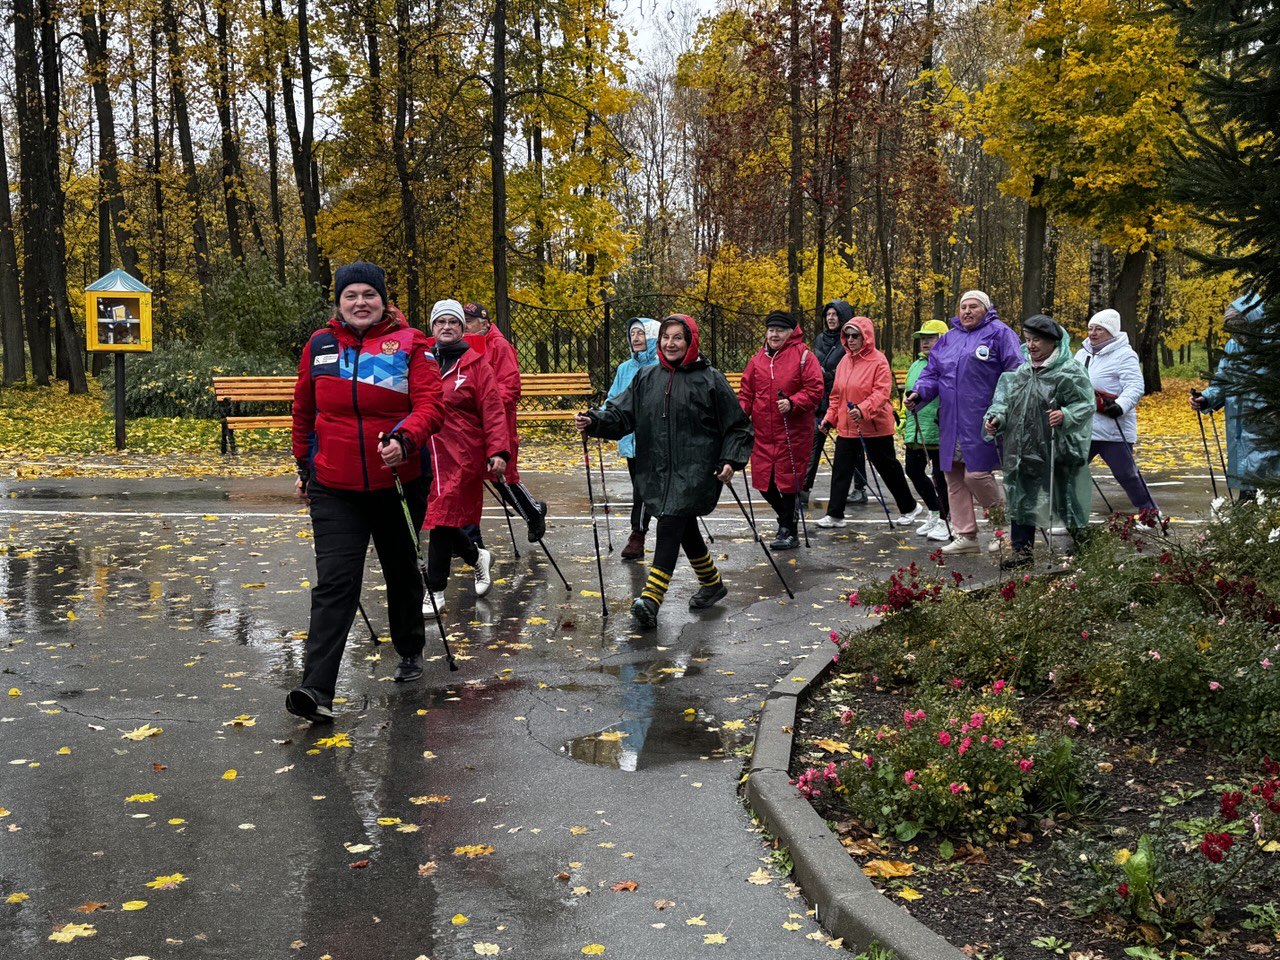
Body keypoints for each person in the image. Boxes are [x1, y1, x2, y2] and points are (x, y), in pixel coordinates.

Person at [287, 262, 443, 723]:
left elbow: (431, 405)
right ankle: (316, 690)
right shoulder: (320, 345)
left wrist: (405, 438)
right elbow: (304, 408)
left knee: (400, 569)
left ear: (382, 299)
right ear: (338, 302)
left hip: (397, 482)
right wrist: (304, 465)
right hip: (335, 488)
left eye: (368, 295)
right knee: (336, 583)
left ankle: (410, 647)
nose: (360, 303)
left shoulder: (411, 344)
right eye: (350, 295)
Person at [575, 314, 753, 628]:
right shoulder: (646, 377)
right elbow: (622, 413)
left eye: (678, 338)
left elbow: (737, 426)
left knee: (671, 521)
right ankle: (712, 583)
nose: (670, 344)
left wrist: (730, 460)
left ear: (690, 342)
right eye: (666, 338)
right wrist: (595, 420)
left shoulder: (710, 379)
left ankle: (651, 599)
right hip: (657, 467)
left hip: (698, 468)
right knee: (682, 524)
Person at [905, 290, 1023, 555]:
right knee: (953, 476)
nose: (967, 311)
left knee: (978, 474)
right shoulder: (949, 339)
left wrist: (1002, 409)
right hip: (950, 419)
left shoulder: (1000, 333)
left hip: (983, 418)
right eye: (963, 307)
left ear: (986, 309)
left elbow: (1016, 374)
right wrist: (920, 392)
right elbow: (932, 373)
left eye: (973, 306)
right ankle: (966, 535)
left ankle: (1002, 530)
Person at [983, 314, 1094, 569]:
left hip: (1059, 447)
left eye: (1038, 341)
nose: (1031, 345)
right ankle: (1022, 554)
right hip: (1024, 449)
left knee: (1067, 498)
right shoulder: (1022, 372)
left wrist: (1065, 414)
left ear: (1053, 343)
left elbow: (1085, 404)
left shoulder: (1069, 371)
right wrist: (996, 419)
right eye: (1029, 340)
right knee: (1021, 498)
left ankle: (1086, 548)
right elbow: (1005, 403)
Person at [422, 299, 509, 617]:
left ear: (462, 329)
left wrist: (497, 450)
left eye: (454, 322)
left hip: (461, 454)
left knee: (442, 519)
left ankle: (434, 591)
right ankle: (476, 557)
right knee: (436, 518)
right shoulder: (421, 361)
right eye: (440, 322)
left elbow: (493, 409)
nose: (446, 327)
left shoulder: (476, 364)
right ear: (432, 327)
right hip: (425, 453)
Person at [817, 316, 920, 527]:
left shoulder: (879, 360)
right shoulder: (844, 361)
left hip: (874, 427)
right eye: (847, 335)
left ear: (866, 337)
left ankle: (909, 507)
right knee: (841, 470)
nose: (851, 339)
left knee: (888, 468)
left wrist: (862, 410)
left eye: (856, 335)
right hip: (847, 427)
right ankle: (835, 515)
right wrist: (829, 419)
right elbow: (836, 395)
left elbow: (881, 393)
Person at [738, 310, 825, 549]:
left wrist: (794, 402)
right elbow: (746, 392)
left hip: (793, 432)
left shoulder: (804, 356)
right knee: (763, 482)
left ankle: (788, 531)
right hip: (763, 433)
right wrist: (738, 414)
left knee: (787, 482)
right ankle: (787, 518)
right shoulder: (758, 360)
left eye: (779, 330)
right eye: (771, 330)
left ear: (790, 333)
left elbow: (815, 390)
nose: (774, 334)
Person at [462, 301, 548, 542]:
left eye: (469, 321)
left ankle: (533, 512)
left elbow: (511, 387)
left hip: (498, 424)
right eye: (463, 321)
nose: (464, 326)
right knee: (467, 479)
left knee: (503, 478)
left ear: (484, 324)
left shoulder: (499, 346)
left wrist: (483, 399)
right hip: (469, 426)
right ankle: (470, 540)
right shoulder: (462, 347)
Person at [1190, 295, 1278, 499]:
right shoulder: (1233, 348)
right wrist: (1206, 398)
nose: (1238, 333)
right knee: (1246, 478)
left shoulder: (1274, 346)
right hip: (1239, 423)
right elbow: (1223, 380)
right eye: (1232, 328)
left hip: (1268, 423)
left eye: (1241, 326)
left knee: (1266, 478)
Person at [1075, 308, 1158, 514]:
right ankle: (1071, 517)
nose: (1092, 333)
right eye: (1090, 328)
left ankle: (1150, 513)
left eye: (1099, 329)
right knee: (1070, 472)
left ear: (1111, 332)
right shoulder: (1081, 353)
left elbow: (1135, 387)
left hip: (1113, 429)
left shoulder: (1125, 355)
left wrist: (1120, 406)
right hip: (1083, 428)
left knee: (1126, 475)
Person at [605, 317, 661, 560]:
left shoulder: (662, 365)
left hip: (657, 440)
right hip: (631, 440)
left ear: (652, 337)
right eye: (632, 334)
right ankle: (643, 531)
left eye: (641, 334)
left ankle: (637, 535)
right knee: (642, 488)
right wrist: (598, 420)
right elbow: (613, 399)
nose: (635, 338)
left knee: (644, 489)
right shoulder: (624, 368)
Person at [803, 300, 862, 508]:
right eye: (828, 314)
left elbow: (851, 369)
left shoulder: (851, 339)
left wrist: (827, 375)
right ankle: (803, 490)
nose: (830, 318)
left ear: (843, 317)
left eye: (835, 314)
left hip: (845, 397)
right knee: (814, 442)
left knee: (852, 444)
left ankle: (860, 487)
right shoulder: (820, 339)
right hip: (822, 399)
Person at [899, 319, 952, 540]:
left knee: (940, 477)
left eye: (930, 338)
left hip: (938, 429)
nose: (925, 342)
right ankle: (934, 511)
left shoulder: (948, 363)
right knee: (912, 469)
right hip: (916, 428)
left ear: (942, 339)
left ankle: (945, 518)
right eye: (923, 338)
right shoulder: (916, 364)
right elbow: (907, 394)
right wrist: (903, 418)